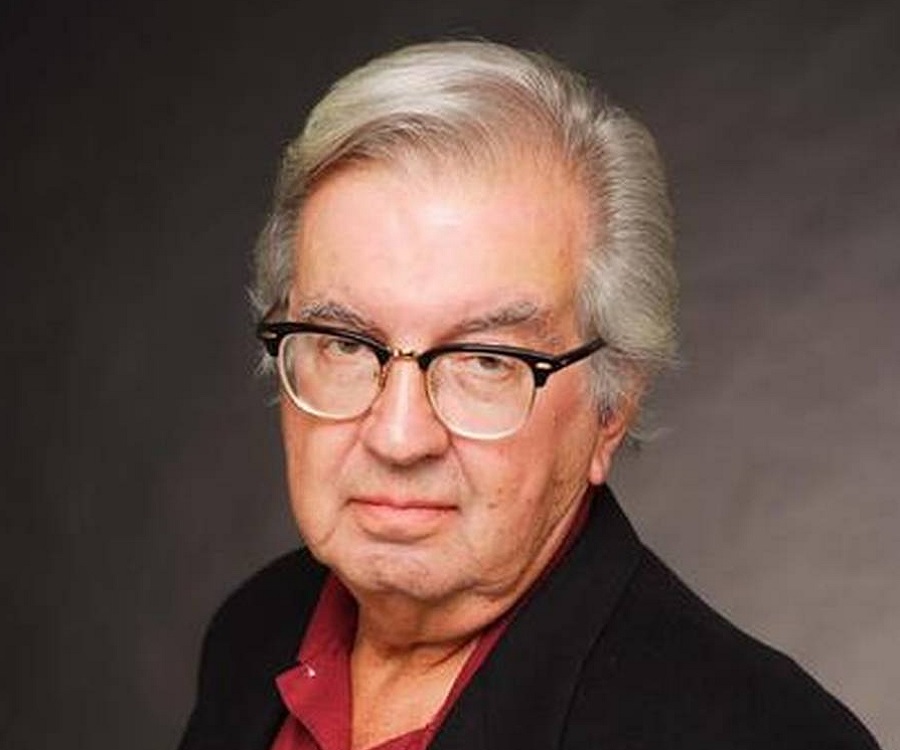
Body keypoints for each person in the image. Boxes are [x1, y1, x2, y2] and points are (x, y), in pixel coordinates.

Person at [178, 39, 880, 750]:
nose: (399, 436)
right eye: (348, 344)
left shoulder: (762, 736)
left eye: (486, 360)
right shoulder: (255, 632)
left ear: (612, 406)